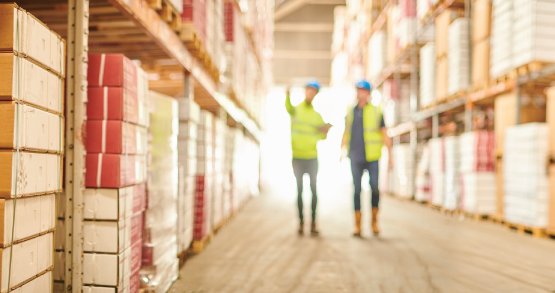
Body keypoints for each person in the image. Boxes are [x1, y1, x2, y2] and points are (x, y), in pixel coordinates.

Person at [342, 79, 392, 237]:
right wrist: (341, 150)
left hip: (372, 157)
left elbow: (385, 133)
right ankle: (357, 226)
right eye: (358, 90)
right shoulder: (350, 111)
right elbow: (346, 132)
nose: (360, 93)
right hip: (355, 156)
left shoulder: (377, 111)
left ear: (368, 93)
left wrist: (390, 156)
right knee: (356, 190)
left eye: (363, 90)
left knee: (375, 188)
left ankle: (374, 222)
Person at [285, 79, 331, 235]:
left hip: (312, 157)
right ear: (305, 91)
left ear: (316, 95)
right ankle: (300, 222)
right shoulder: (296, 110)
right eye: (309, 90)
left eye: (314, 92)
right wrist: (287, 94)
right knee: (299, 191)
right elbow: (288, 107)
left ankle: (313, 222)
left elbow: (321, 136)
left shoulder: (317, 116)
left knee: (313, 190)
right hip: (297, 157)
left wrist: (325, 131)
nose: (311, 93)